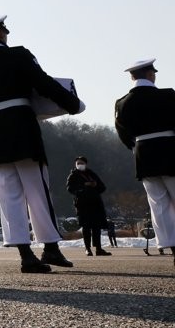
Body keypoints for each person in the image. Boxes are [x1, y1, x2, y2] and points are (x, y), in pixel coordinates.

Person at [0, 15, 83, 273]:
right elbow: (43, 82)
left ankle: (25, 254)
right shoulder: (17, 55)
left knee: (8, 196)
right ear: (0, 34)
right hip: (21, 127)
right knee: (38, 192)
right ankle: (50, 247)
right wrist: (72, 104)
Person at [114, 58, 175, 266]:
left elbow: (123, 134)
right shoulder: (168, 95)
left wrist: (137, 148)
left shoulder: (122, 103)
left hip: (143, 155)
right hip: (170, 151)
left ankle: (170, 244)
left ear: (132, 77)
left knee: (158, 203)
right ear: (151, 75)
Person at [65, 156, 111, 257]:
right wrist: (83, 186)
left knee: (97, 227)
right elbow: (70, 188)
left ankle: (98, 248)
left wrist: (95, 185)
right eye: (77, 163)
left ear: (86, 164)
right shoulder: (73, 175)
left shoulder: (92, 174)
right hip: (82, 204)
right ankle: (87, 248)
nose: (79, 165)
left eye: (81, 163)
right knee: (86, 227)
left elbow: (102, 187)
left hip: (95, 203)